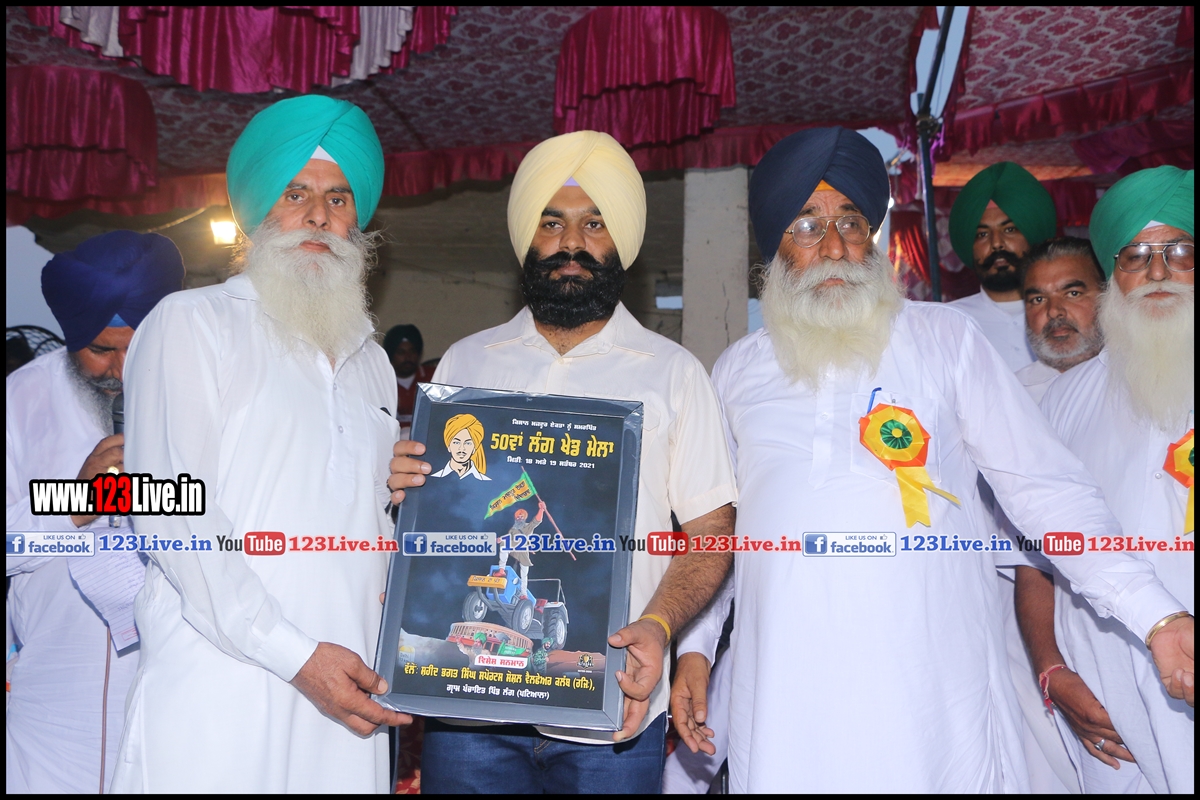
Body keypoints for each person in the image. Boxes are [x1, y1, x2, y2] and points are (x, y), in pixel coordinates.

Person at [669, 127, 1193, 793]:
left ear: (872, 235)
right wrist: (695, 648)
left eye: (851, 221)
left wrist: (1156, 614)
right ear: (775, 244)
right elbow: (722, 530)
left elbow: (1046, 491)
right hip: (786, 688)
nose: (834, 246)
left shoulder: (947, 341)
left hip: (930, 693)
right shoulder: (737, 371)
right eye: (806, 224)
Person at [387, 130, 737, 793]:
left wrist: (659, 625)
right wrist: (407, 489)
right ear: (528, 238)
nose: (570, 243)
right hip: (470, 717)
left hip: (612, 717)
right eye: (551, 223)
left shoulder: (673, 374)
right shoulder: (467, 361)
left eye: (594, 224)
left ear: (620, 242)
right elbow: (438, 513)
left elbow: (712, 532)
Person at [111, 95, 410, 793]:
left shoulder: (370, 361)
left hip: (348, 689)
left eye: (338, 198)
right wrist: (296, 655)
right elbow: (171, 515)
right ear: (254, 210)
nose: (318, 216)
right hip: (223, 685)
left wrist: (400, 502)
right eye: (295, 193)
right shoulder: (192, 324)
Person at [1033, 166, 1194, 794]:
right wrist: (1051, 669)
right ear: (1112, 275)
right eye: (1135, 256)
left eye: (1178, 250)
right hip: (1110, 705)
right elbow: (1035, 561)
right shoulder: (1062, 401)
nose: (1157, 272)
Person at [6, 231, 183, 792]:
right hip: (53, 700)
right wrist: (76, 501)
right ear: (71, 336)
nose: (122, 369)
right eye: (102, 350)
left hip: (175, 689)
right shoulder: (19, 401)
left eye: (137, 348)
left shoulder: (200, 396)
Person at [948, 161, 1058, 371]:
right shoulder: (948, 322)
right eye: (982, 234)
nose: (996, 243)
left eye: (1009, 230)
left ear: (1032, 236)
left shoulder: (1066, 313)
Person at [1016, 236, 1107, 401]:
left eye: (1073, 294)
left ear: (1107, 296)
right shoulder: (1010, 395)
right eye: (1038, 299)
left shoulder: (1144, 382)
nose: (1053, 311)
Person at [382, 323, 434, 434]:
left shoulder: (433, 377)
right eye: (401, 352)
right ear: (391, 355)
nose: (408, 357)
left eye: (412, 351)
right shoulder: (381, 381)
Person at [499, 502, 546, 594]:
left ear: (524, 518)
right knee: (504, 545)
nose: (519, 518)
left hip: (523, 550)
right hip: (514, 548)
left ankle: (523, 593)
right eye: (518, 517)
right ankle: (501, 570)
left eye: (521, 517)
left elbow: (536, 521)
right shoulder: (513, 529)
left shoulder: (528, 527)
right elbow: (508, 537)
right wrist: (500, 539)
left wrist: (541, 510)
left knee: (524, 573)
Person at [431, 412, 490, 480]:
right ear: (449, 447)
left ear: (474, 449)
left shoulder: (486, 481)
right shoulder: (433, 478)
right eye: (456, 443)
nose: (462, 448)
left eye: (468, 443)